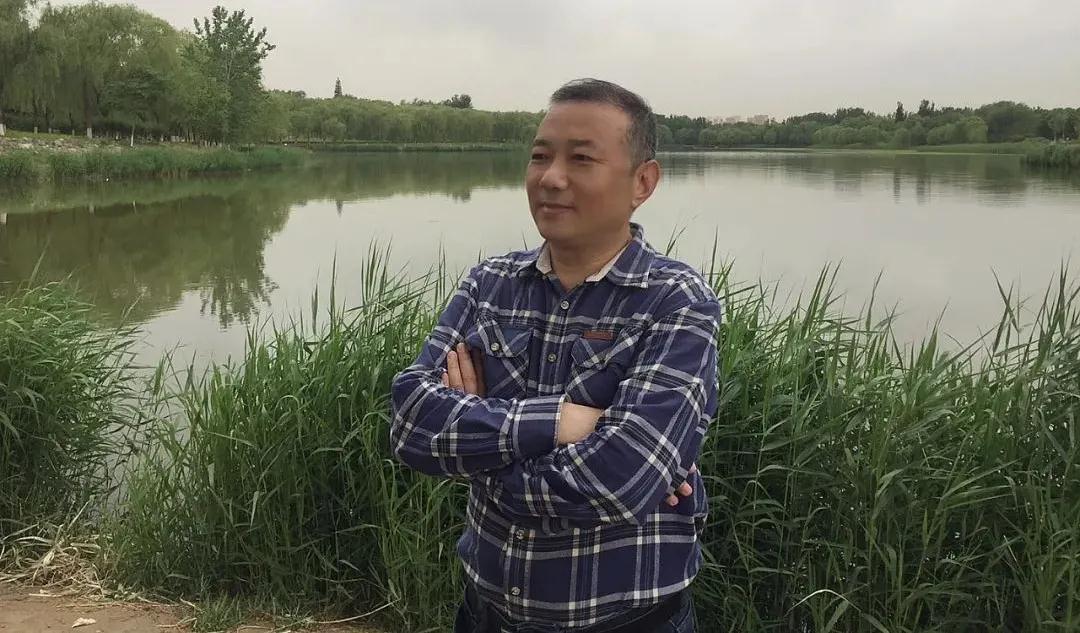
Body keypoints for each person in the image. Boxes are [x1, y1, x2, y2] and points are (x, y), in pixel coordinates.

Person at [390, 78, 722, 633]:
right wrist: (566, 421)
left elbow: (623, 480)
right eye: (540, 156)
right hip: (486, 612)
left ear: (643, 181)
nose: (550, 178)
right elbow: (410, 424)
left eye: (581, 159)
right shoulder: (490, 285)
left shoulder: (675, 300)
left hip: (629, 621)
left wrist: (481, 460)